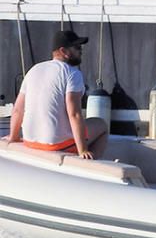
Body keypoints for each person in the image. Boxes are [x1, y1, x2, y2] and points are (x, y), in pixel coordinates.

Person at [7, 30, 108, 159]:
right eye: (77, 48)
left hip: (29, 142)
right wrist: (82, 150)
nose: (81, 51)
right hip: (56, 145)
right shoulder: (72, 73)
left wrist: (14, 138)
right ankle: (90, 165)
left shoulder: (34, 70)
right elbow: (74, 114)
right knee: (101, 125)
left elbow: (17, 110)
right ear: (64, 51)